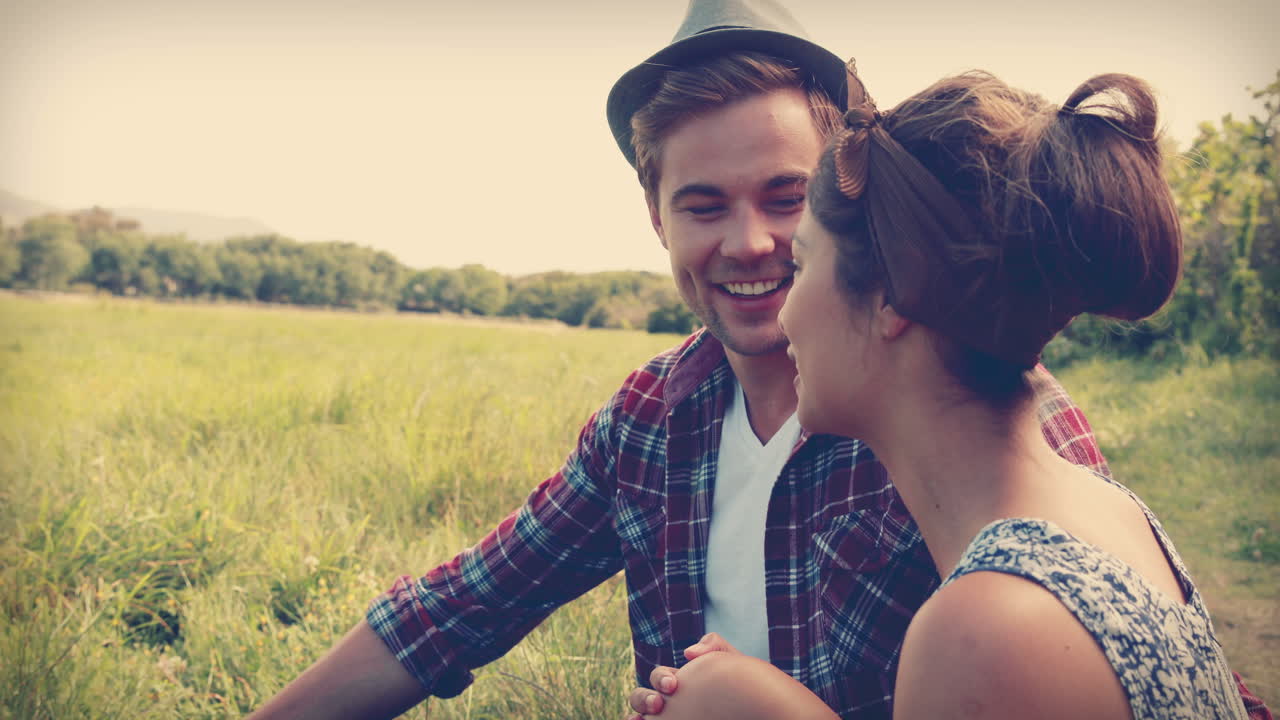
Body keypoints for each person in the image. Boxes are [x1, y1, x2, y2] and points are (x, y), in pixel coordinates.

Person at [246, 2, 1270, 719]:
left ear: (864, 224)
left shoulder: (992, 424)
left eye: (790, 207)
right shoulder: (652, 420)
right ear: (656, 218)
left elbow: (1123, 659)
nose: (751, 246)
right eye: (702, 205)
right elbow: (464, 605)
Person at [624, 64, 1259, 720]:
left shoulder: (983, 633)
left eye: (805, 263)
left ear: (890, 297)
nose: (786, 315)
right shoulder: (1106, 508)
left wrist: (757, 705)